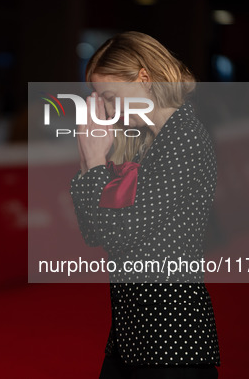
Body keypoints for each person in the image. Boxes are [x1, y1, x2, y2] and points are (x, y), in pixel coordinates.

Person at [69, 32, 220, 378]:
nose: (106, 111)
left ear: (143, 78)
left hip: (172, 338)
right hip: (132, 333)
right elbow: (93, 232)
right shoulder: (141, 144)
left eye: (109, 97)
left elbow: (120, 232)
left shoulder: (185, 138)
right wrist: (86, 160)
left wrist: (94, 164)